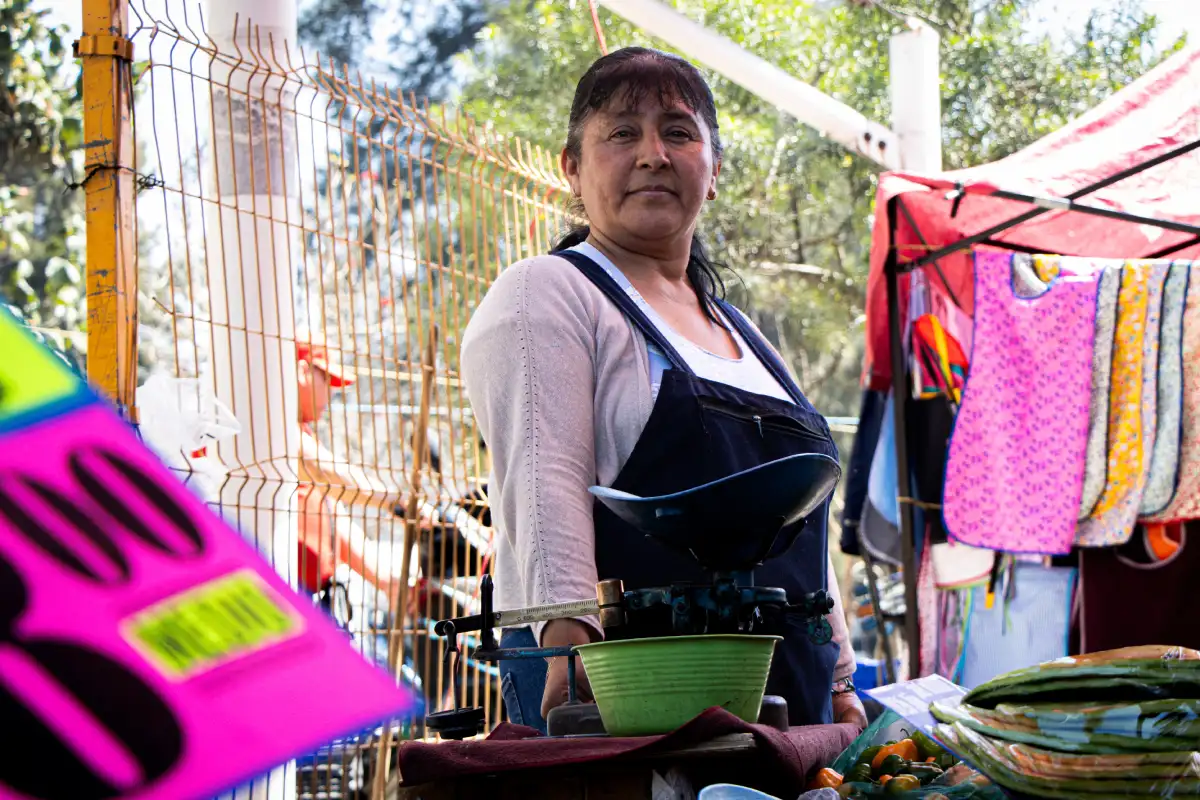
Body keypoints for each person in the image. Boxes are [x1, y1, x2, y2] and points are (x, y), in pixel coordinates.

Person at [460, 47, 866, 735]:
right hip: (629, 697)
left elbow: (803, 531)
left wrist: (842, 675)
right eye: (622, 132)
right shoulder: (550, 292)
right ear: (572, 167)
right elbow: (541, 474)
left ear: (712, 173)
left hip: (792, 700)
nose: (653, 153)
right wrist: (569, 641)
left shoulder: (743, 333)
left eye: (678, 132)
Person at [295, 330, 410, 662]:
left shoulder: (301, 432)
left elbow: (333, 522)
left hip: (315, 604)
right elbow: (325, 472)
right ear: (303, 371)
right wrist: (396, 500)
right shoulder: (274, 430)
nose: (329, 394)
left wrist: (388, 581)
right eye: (325, 378)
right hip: (286, 603)